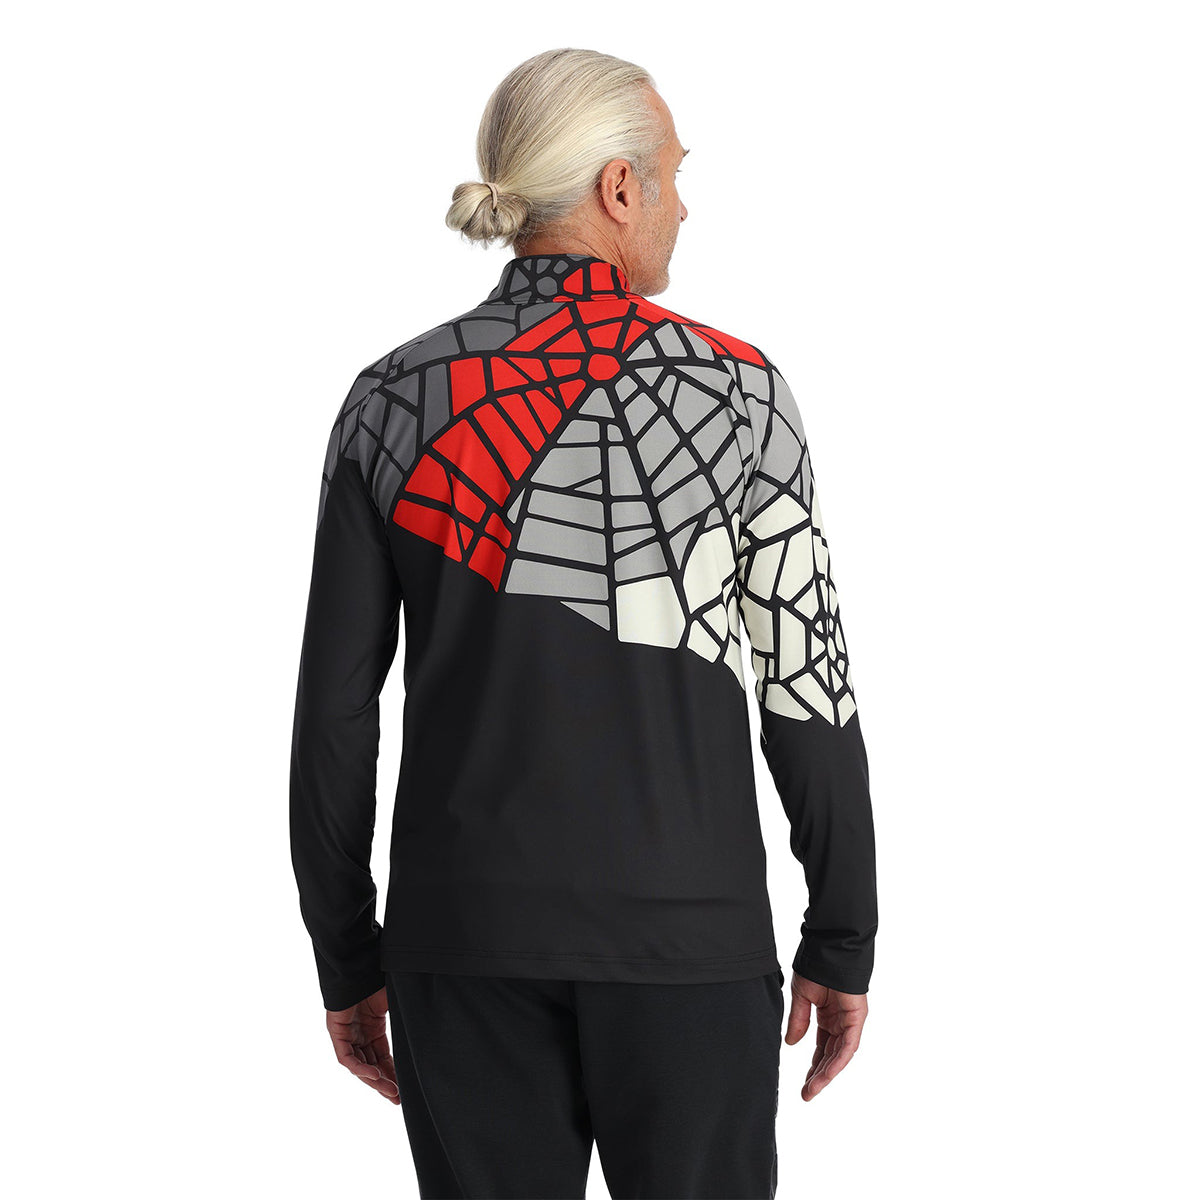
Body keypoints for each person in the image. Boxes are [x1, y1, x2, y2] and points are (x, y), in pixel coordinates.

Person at [289, 46, 878, 1200]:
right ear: (619, 188)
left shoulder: (390, 399)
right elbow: (807, 682)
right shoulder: (744, 392)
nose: (683, 204)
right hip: (691, 949)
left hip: (462, 948)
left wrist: (346, 954)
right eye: (675, 174)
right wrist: (843, 932)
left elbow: (334, 715)